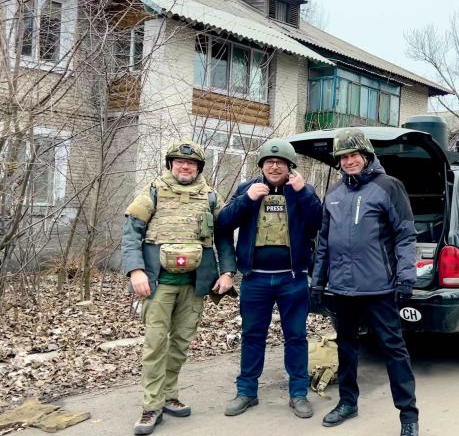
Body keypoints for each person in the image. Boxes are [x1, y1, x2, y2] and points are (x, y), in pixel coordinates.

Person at [122, 140, 237, 435]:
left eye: (191, 164)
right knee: (155, 343)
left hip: (196, 283)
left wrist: (227, 272)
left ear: (198, 168)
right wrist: (136, 270)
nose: (184, 167)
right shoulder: (153, 191)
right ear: (170, 164)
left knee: (181, 342)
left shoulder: (210, 196)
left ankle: (169, 395)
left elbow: (223, 235)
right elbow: (132, 231)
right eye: (179, 162)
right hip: (158, 283)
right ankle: (151, 406)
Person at [311, 129, 420, 436]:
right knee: (346, 347)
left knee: (393, 349)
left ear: (367, 156)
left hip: (380, 289)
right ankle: (348, 402)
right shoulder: (333, 195)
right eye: (343, 157)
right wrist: (318, 283)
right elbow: (323, 243)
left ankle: (408, 415)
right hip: (343, 290)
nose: (348, 161)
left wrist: (406, 278)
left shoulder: (389, 187)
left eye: (353, 155)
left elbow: (405, 235)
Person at [216, 138, 322, 419]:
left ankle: (298, 394)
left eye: (281, 162)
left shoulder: (302, 190)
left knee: (296, 337)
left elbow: (321, 224)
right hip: (255, 280)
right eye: (269, 162)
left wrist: (303, 194)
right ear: (262, 165)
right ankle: (247, 392)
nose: (275, 166)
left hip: (294, 280)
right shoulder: (247, 189)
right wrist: (248, 199)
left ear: (290, 166)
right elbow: (223, 223)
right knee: (252, 336)